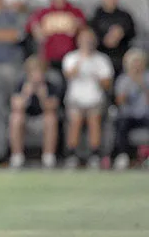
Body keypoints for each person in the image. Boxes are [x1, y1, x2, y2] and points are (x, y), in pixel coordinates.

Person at [61, 28, 114, 170]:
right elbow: (69, 74)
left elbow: (107, 83)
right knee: (76, 119)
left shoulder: (102, 59)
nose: (87, 42)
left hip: (95, 99)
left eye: (90, 39)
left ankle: (95, 154)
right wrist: (82, 60)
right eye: (84, 39)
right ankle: (72, 154)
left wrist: (96, 73)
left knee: (93, 119)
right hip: (75, 99)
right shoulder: (71, 57)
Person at [8, 56, 61, 169]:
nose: (37, 75)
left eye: (39, 72)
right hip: (26, 119)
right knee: (15, 118)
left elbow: (52, 107)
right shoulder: (21, 84)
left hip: (42, 119)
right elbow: (15, 106)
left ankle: (48, 157)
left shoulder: (50, 85)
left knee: (51, 118)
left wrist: (43, 96)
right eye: (34, 72)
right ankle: (17, 156)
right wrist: (25, 95)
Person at [25, 0, 86, 71]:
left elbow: (84, 30)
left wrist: (78, 26)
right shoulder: (42, 13)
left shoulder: (75, 12)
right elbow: (30, 26)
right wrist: (36, 28)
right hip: (48, 58)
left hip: (70, 58)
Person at [112, 49, 149, 171]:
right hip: (128, 115)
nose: (136, 65)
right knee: (121, 123)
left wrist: (142, 84)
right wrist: (130, 83)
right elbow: (120, 101)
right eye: (134, 62)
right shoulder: (123, 79)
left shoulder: (147, 77)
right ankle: (123, 155)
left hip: (145, 114)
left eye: (139, 62)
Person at [88, 0, 136, 76]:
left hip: (122, 54)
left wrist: (122, 33)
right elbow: (90, 34)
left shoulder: (125, 15)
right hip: (100, 54)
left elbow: (133, 34)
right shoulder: (96, 15)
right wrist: (105, 39)